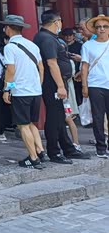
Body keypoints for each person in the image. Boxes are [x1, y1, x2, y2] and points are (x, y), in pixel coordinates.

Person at [33, 11, 88, 163]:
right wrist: (60, 86)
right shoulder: (46, 38)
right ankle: (54, 151)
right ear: (56, 22)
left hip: (59, 82)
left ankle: (68, 148)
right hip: (52, 83)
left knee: (60, 116)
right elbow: (51, 63)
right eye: (60, 21)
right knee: (54, 117)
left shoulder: (51, 38)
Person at [0, 15, 45, 169]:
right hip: (35, 90)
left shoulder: (9, 47)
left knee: (23, 125)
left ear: (8, 28)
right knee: (31, 123)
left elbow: (10, 70)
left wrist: (7, 88)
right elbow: (41, 67)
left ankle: (33, 157)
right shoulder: (32, 45)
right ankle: (40, 151)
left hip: (21, 91)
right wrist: (38, 84)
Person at [80, 14, 109, 159]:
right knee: (98, 117)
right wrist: (84, 85)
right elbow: (84, 66)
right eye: (98, 27)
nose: (102, 29)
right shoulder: (88, 45)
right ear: (95, 29)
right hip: (95, 84)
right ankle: (101, 147)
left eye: (105, 26)